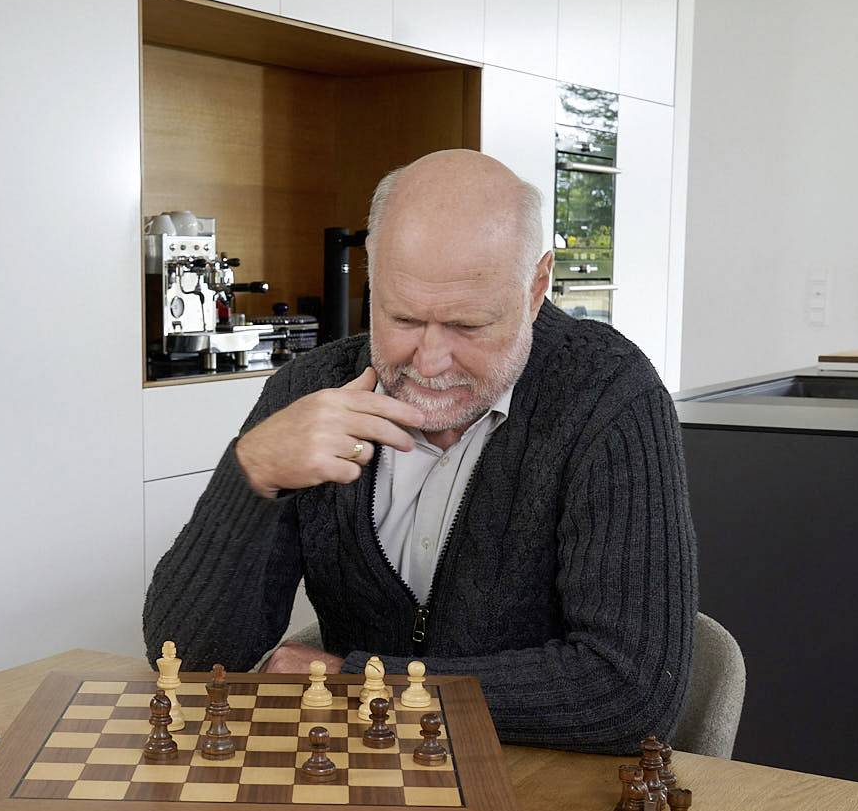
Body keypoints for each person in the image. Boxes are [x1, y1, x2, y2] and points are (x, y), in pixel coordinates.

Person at [143, 149, 696, 754]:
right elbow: (188, 661)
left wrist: (364, 683)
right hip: (360, 774)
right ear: (372, 275)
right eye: (403, 318)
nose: (429, 363)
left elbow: (632, 693)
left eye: (468, 326)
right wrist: (250, 473)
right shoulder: (311, 388)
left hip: (540, 783)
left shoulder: (609, 396)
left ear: (536, 288)